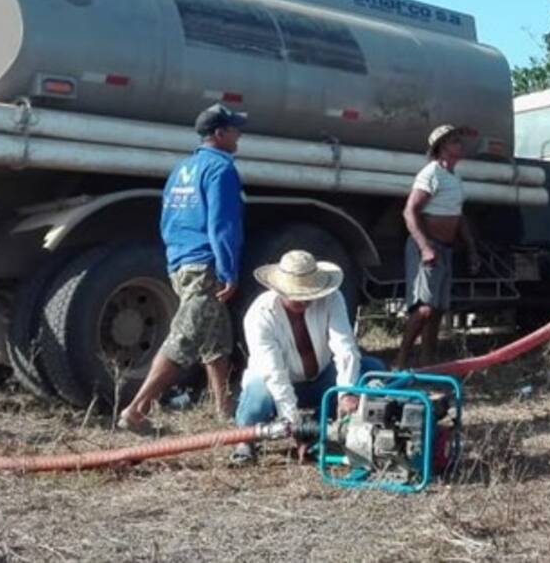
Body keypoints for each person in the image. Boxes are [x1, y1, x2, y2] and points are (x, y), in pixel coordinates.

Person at [118, 102, 247, 431]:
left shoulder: (182, 169)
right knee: (184, 337)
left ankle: (223, 407)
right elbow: (222, 226)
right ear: (219, 134)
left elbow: (168, 219)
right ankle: (138, 409)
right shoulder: (221, 169)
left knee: (215, 337)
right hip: (205, 264)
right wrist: (229, 270)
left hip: (181, 262)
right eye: (234, 129)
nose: (239, 135)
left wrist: (177, 256)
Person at [230, 249, 384, 465]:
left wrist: (347, 393)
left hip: (320, 379)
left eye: (309, 295)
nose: (306, 301)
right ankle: (246, 439)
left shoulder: (332, 298)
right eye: (298, 296)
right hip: (276, 385)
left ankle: (330, 427)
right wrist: (293, 425)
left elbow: (345, 346)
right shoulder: (260, 315)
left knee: (371, 369)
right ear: (280, 290)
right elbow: (274, 373)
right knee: (258, 396)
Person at [395, 124, 477, 370]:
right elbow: (410, 211)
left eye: (459, 140)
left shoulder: (454, 178)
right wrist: (425, 247)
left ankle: (427, 362)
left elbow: (458, 216)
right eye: (454, 141)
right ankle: (401, 360)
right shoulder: (431, 173)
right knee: (425, 309)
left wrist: (471, 248)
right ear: (441, 147)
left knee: (439, 309)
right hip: (429, 246)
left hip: (445, 248)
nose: (459, 145)